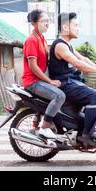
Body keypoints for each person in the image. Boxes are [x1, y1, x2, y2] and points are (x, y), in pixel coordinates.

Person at [49, 12, 96, 147]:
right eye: (76, 25)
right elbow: (77, 63)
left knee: (86, 108)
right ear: (65, 28)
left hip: (71, 82)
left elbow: (84, 59)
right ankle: (87, 136)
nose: (78, 28)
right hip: (65, 84)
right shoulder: (60, 45)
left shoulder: (67, 45)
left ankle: (81, 131)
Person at [22, 9, 66, 139]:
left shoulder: (41, 38)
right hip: (32, 81)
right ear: (34, 23)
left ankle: (37, 124)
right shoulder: (31, 40)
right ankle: (45, 127)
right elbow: (33, 66)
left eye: (48, 21)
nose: (47, 23)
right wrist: (50, 81)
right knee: (59, 96)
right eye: (43, 21)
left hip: (39, 80)